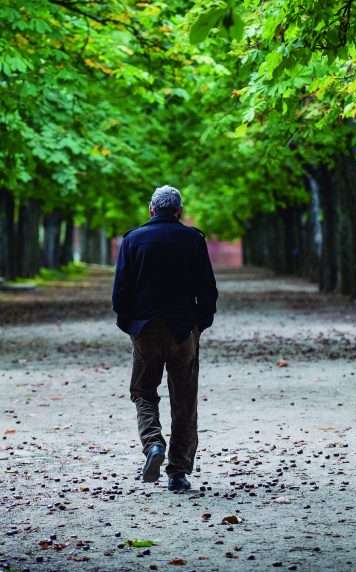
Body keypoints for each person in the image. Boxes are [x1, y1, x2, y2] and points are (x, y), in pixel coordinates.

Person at [112, 185, 218, 492]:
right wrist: (201, 323)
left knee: (143, 391)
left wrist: (128, 323)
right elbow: (207, 288)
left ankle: (153, 443)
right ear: (179, 211)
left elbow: (121, 290)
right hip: (183, 330)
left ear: (151, 209)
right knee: (184, 400)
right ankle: (178, 472)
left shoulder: (133, 240)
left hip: (145, 328)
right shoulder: (193, 239)